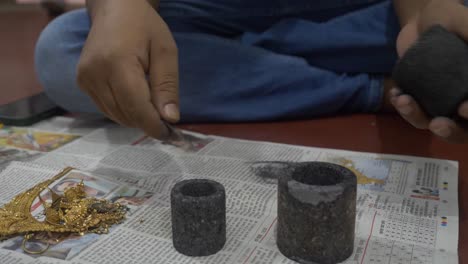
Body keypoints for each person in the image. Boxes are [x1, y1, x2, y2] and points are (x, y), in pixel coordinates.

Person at [35, 0, 468, 143]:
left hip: (354, 13)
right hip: (215, 11)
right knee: (62, 50)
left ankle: (266, 59)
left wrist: (424, 15)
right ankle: (374, 88)